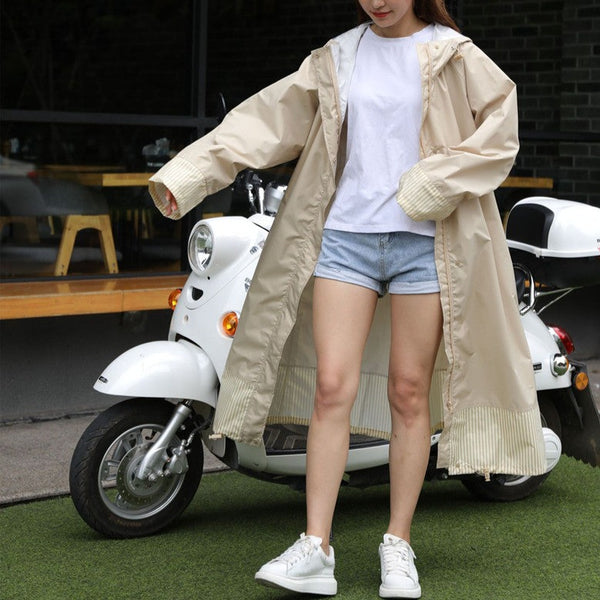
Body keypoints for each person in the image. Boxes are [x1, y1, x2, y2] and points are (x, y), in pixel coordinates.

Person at [149, 1, 546, 597]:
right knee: (333, 388)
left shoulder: (454, 54)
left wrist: (436, 181)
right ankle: (316, 547)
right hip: (344, 241)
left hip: (428, 243)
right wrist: (189, 175)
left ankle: (399, 545)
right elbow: (265, 120)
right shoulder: (338, 57)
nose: (375, 1)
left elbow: (500, 134)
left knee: (409, 393)